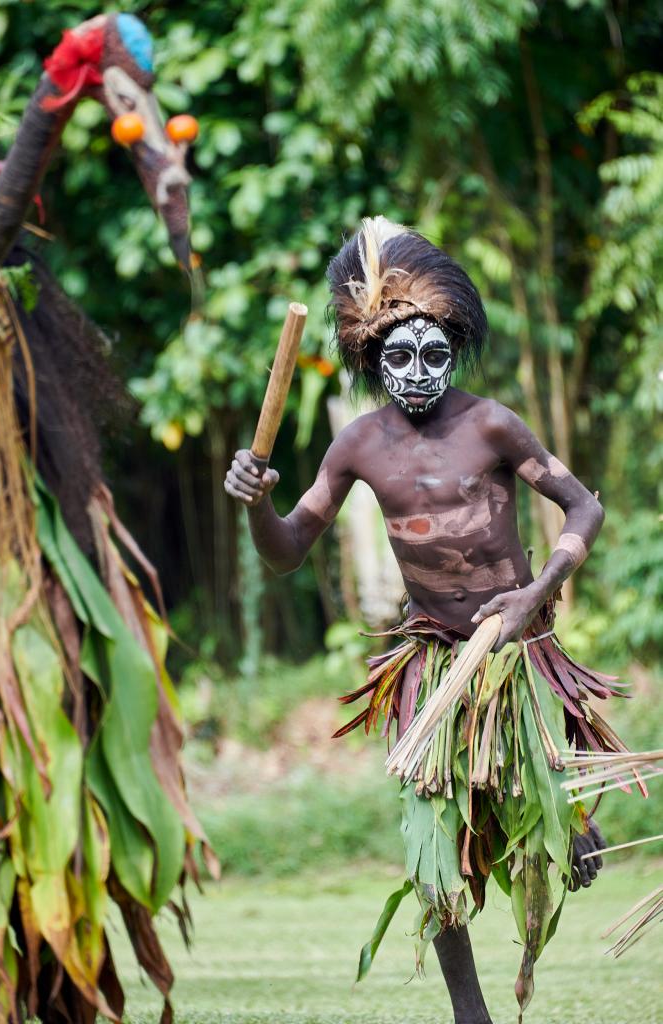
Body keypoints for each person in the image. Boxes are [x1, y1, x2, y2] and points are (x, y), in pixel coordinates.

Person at [224, 217, 627, 1023]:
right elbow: (287, 552)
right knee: (434, 853)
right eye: (398, 357)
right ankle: (470, 1017)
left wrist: (537, 591)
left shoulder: (492, 425)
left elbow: (585, 506)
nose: (417, 371)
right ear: (372, 360)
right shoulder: (357, 446)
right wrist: (258, 507)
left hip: (521, 653)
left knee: (561, 849)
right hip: (433, 663)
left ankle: (571, 811)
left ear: (453, 343)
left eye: (433, 352)